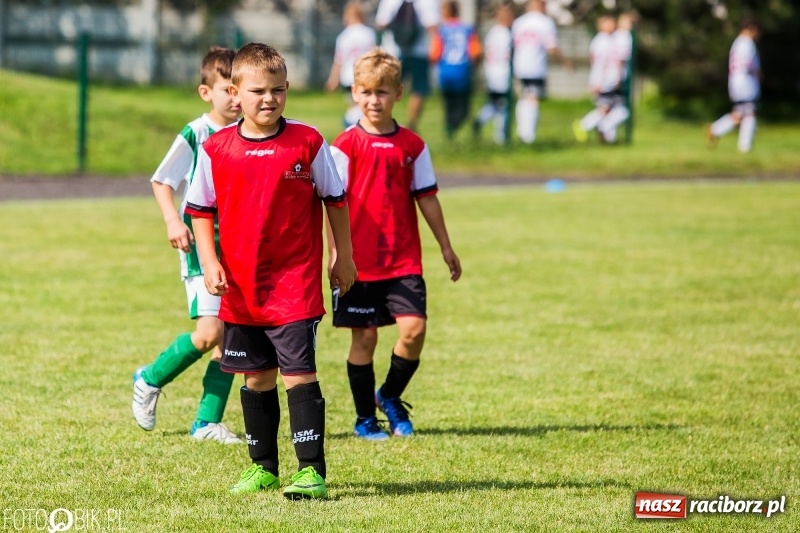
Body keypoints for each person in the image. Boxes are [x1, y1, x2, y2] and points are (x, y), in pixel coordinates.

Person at [185, 43, 357, 499]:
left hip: (295, 284)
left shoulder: (308, 141)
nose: (269, 99)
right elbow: (199, 209)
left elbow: (335, 201)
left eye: (278, 90)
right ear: (234, 94)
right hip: (242, 286)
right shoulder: (216, 148)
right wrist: (209, 262)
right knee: (256, 377)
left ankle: (311, 471)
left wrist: (343, 256)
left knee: (298, 373)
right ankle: (263, 467)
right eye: (258, 91)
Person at [329, 48, 462, 441]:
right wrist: (337, 255)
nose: (374, 100)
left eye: (382, 92)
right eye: (367, 92)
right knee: (365, 338)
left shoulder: (413, 146)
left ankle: (388, 395)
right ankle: (364, 419)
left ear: (398, 93)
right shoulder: (344, 146)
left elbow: (427, 198)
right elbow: (333, 204)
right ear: (355, 93)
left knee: (414, 330)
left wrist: (446, 246)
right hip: (358, 263)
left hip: (403, 260)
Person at [132, 46, 242, 444]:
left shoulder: (249, 132)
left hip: (240, 249)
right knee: (210, 332)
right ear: (206, 92)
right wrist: (172, 220)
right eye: (227, 90)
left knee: (232, 339)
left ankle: (206, 422)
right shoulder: (196, 133)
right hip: (201, 246)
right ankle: (150, 378)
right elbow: (162, 180)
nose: (235, 98)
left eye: (240, 89)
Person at [375, 0, 442, 132]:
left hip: (392, 51)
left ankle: (384, 123)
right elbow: (433, 26)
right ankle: (412, 125)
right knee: (419, 89)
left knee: (386, 88)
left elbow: (381, 23)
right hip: (419, 51)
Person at [511, 0, 571, 144]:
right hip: (535, 66)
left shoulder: (518, 22)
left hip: (519, 66)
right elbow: (552, 47)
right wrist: (564, 62)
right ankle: (528, 136)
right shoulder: (545, 22)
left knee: (523, 97)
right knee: (533, 98)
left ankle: (521, 130)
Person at [571, 15, 629, 144]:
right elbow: (602, 64)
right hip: (605, 82)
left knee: (611, 108)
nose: (612, 25)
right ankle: (584, 125)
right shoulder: (604, 42)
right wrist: (599, 81)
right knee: (606, 108)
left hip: (605, 81)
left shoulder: (601, 40)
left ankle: (607, 137)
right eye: (609, 23)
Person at [429, 0, 482, 139]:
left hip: (445, 73)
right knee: (463, 106)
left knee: (449, 104)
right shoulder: (467, 29)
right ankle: (453, 127)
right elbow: (475, 52)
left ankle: (449, 130)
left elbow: (435, 54)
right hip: (463, 72)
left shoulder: (441, 31)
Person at [707, 16, 761, 153]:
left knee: (739, 114)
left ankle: (715, 129)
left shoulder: (737, 42)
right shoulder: (747, 43)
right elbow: (749, 64)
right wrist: (758, 74)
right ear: (752, 28)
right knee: (750, 114)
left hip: (735, 82)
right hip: (746, 83)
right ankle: (745, 147)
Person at [325, 1, 377, 128]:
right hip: (366, 76)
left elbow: (339, 61)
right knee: (364, 104)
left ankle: (352, 127)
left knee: (354, 104)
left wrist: (333, 79)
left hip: (349, 76)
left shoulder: (344, 36)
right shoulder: (369, 33)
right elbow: (374, 56)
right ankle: (360, 127)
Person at [472, 3, 515, 144]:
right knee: (503, 104)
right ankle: (501, 137)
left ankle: (480, 119)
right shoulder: (506, 34)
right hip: (502, 73)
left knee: (495, 102)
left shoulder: (492, 32)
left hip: (491, 73)